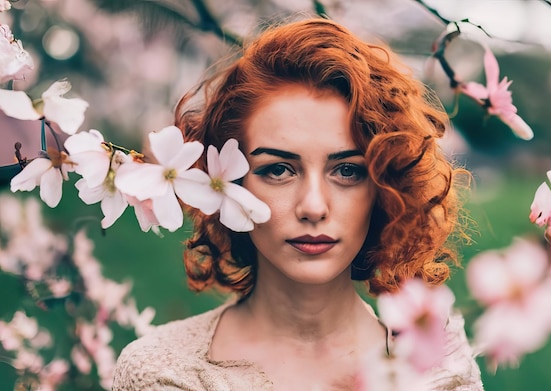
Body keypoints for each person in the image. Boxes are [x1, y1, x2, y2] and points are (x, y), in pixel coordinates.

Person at [112, 17, 483, 391]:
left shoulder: (441, 375)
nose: (313, 206)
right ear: (228, 182)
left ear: (385, 188)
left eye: (347, 171)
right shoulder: (161, 374)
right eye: (278, 170)